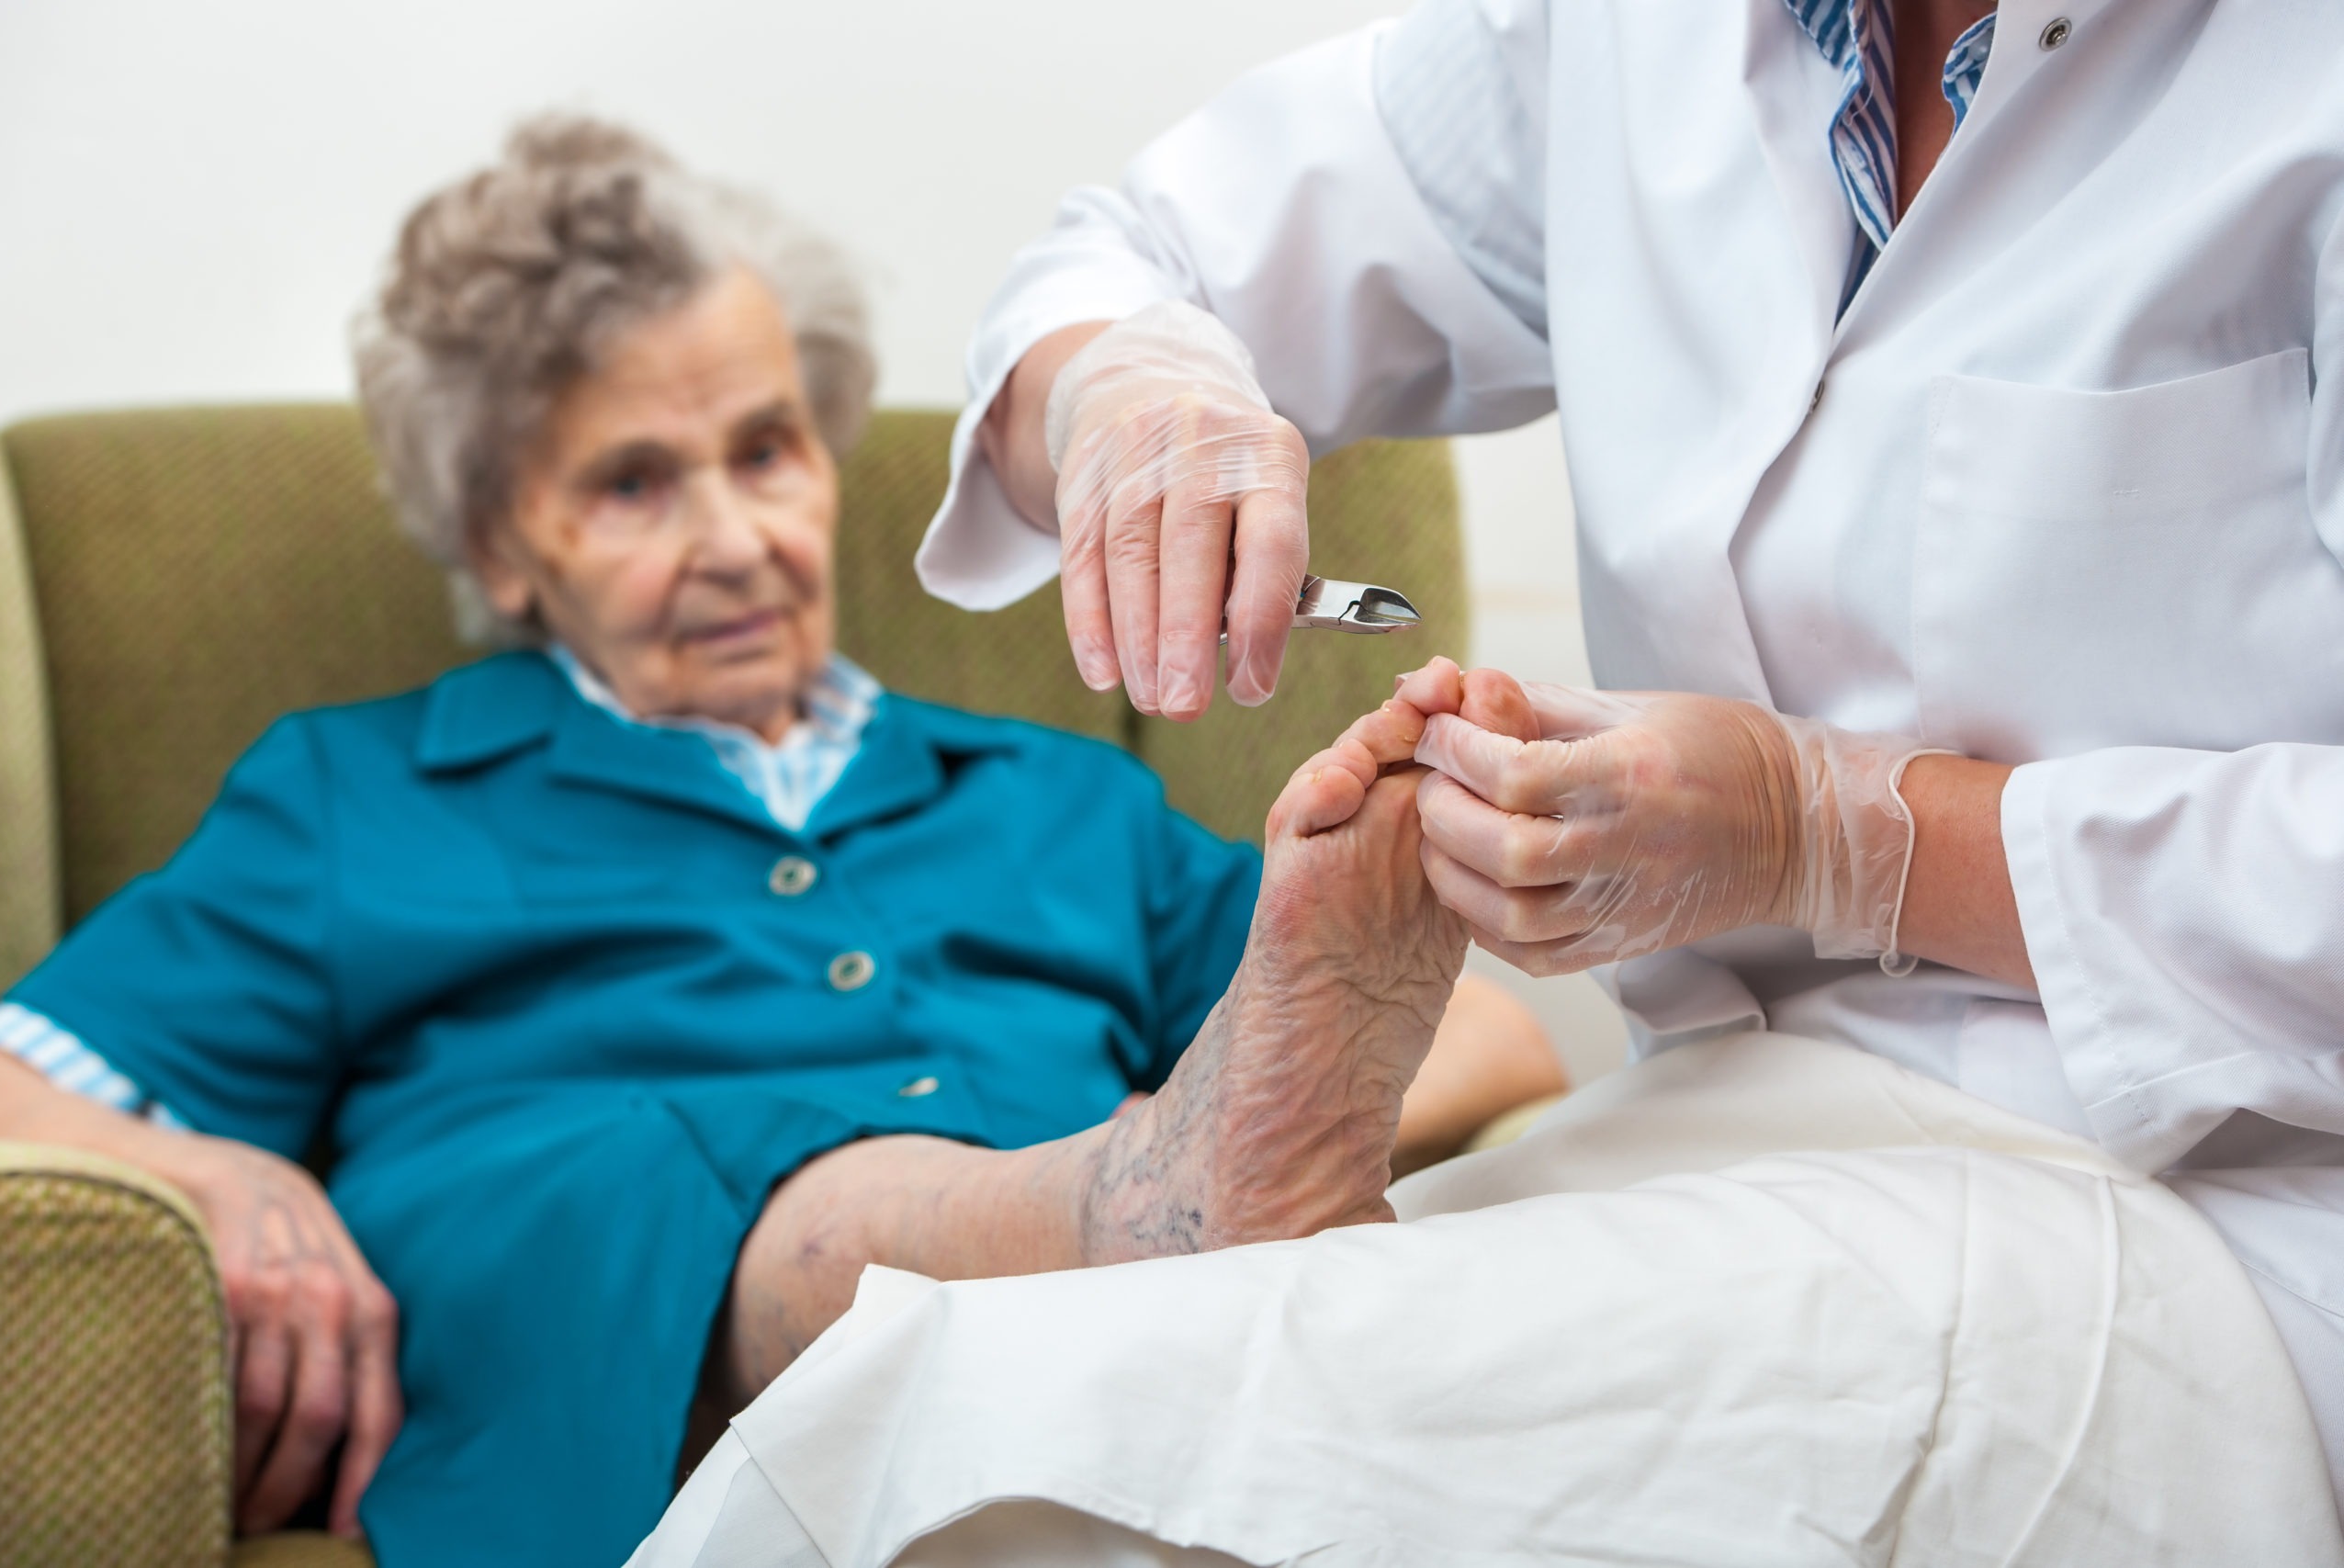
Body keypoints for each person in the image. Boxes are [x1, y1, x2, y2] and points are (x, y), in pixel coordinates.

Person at [633, 0, 2344, 1560]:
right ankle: (1173, 1187)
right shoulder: (1640, 39)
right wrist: (1130, 392)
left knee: (1009, 1483)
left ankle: (1169, 1192)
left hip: (2218, 1200)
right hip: (1734, 1140)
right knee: (916, 1416)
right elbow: (1134, 255)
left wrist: (1855, 837)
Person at [0, 116, 1566, 1565]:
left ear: (825, 459)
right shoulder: (359, 798)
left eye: (763, 451)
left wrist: (1240, 1087)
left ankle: (1133, 1219)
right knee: (683, 1173)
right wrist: (187, 1165)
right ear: (500, 544)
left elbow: (1488, 1038)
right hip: (597, 1309)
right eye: (631, 484)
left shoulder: (1054, 797)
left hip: (1077, 1361)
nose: (734, 537)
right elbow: (17, 1081)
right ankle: (1124, 1214)